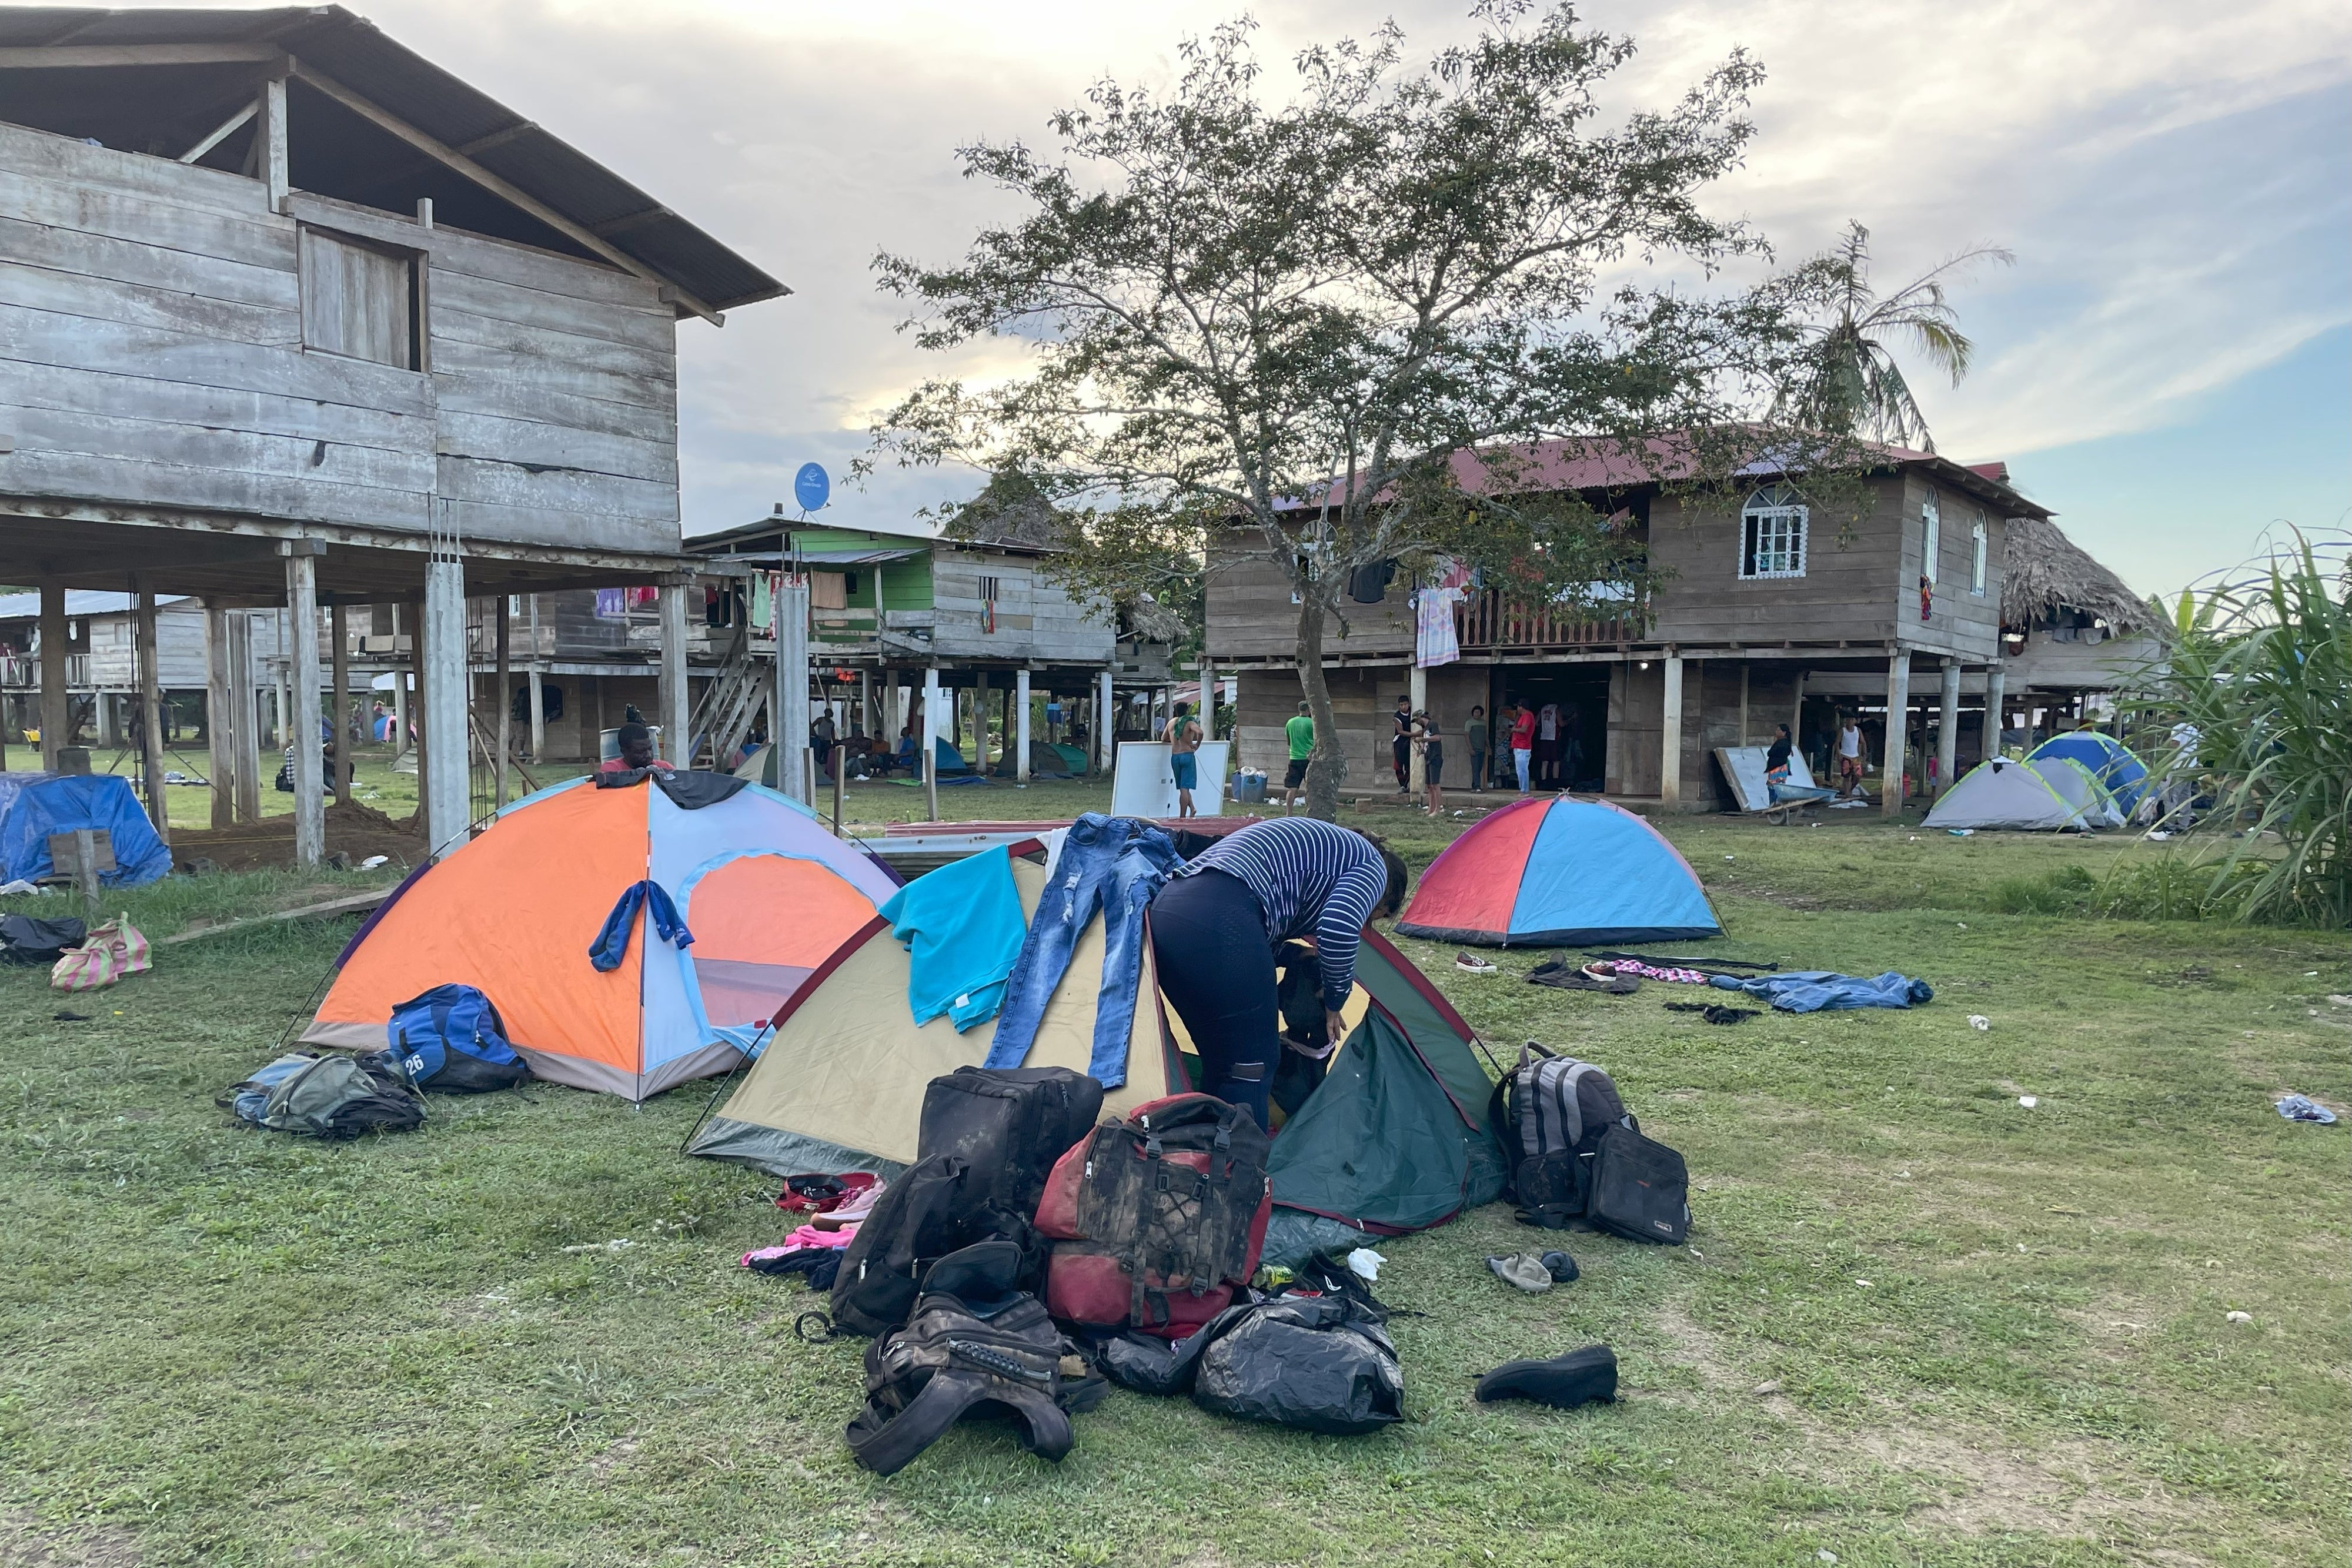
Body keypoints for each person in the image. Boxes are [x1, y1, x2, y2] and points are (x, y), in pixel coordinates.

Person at [1148, 817, 1409, 1130]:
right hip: (1223, 917)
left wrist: (1295, 954)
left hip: (1168, 912)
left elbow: (1254, 935)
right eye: (1373, 918)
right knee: (1253, 1066)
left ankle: (1206, 1159)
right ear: (1383, 904)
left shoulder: (1330, 851)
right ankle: (1244, 1172)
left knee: (1223, 1062)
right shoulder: (1372, 867)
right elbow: (1338, 927)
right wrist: (1335, 999)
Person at [1163, 700, 1204, 817]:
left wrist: (1174, 740)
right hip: (1187, 756)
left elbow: (1163, 738)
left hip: (1175, 757)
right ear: (1186, 711)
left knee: (1183, 788)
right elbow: (1200, 732)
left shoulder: (1171, 723)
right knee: (1184, 788)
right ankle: (1182, 817)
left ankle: (1192, 808)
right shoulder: (1189, 723)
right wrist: (1197, 745)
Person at [599, 720, 672, 774]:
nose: (648, 755)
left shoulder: (665, 768)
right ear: (624, 751)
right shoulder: (612, 770)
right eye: (640, 751)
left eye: (650, 749)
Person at [1280, 700, 1315, 811]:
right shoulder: (1312, 723)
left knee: (1292, 788)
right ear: (1309, 710)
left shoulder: (1290, 723)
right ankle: (1310, 812)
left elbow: (1289, 742)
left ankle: (1288, 813)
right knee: (1311, 788)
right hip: (1308, 759)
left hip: (1294, 758)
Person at [1414, 711, 1445, 815]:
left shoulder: (1433, 725)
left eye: (1417, 721)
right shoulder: (1424, 729)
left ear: (1421, 718)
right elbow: (1425, 745)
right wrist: (1420, 750)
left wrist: (1424, 739)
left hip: (1435, 758)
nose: (1417, 723)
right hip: (1428, 758)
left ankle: (1437, 809)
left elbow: (1438, 737)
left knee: (1435, 784)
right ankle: (1431, 809)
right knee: (1429, 785)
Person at [1835, 713, 1866, 798]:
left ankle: (1848, 790)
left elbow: (1863, 742)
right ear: (1846, 721)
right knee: (1847, 777)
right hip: (1845, 756)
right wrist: (1838, 754)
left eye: (1852, 719)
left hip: (1855, 757)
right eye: (1849, 719)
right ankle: (1847, 794)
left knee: (1858, 776)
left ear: (1855, 721)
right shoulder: (1843, 731)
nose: (1850, 721)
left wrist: (1864, 754)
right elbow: (1837, 743)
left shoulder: (1858, 730)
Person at [1509, 701, 1536, 794]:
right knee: (1520, 769)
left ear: (1521, 707)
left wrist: (1514, 729)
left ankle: (1524, 789)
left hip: (1523, 747)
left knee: (1522, 769)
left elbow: (1524, 729)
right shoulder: (1522, 717)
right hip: (1518, 746)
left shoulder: (1528, 716)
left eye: (1518, 707)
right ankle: (1522, 789)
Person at [1390, 696, 1414, 795]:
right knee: (1399, 766)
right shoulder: (1397, 716)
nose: (1403, 707)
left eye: (1405, 704)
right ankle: (1402, 786)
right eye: (1401, 705)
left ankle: (1405, 785)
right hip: (1400, 742)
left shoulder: (1413, 713)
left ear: (1408, 704)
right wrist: (1415, 734)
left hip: (1411, 742)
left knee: (1410, 766)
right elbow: (1401, 731)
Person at [1534, 701, 1561, 787]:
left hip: (1544, 736)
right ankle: (1555, 783)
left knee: (1545, 762)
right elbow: (1561, 723)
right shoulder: (1556, 709)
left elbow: (1536, 722)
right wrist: (1570, 719)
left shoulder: (1543, 709)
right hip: (1553, 737)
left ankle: (1543, 783)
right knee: (1556, 762)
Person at [1464, 704, 1489, 793]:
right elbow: (1466, 736)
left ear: (1481, 713)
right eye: (1475, 712)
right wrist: (1470, 748)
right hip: (1474, 749)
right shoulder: (1469, 722)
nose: (1476, 714)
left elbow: (1485, 736)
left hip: (1482, 749)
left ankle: (1474, 786)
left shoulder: (1483, 723)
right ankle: (1477, 786)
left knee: (1479, 768)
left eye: (1478, 712)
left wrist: (1488, 748)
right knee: (1475, 768)